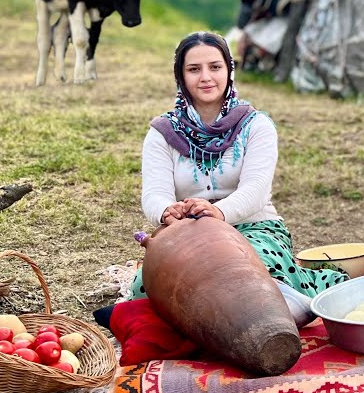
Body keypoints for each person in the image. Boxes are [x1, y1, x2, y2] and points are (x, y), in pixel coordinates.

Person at [130, 31, 346, 300]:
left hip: (253, 228)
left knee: (247, 274)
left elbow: (254, 191)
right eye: (194, 69)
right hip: (190, 234)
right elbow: (154, 194)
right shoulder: (163, 132)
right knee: (146, 286)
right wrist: (166, 211)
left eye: (215, 67)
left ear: (229, 72)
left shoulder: (256, 126)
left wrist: (216, 212)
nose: (206, 77)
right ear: (181, 77)